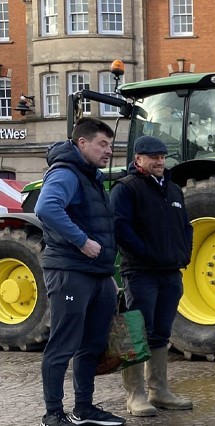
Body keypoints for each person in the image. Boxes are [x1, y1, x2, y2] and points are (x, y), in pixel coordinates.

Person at [34, 117, 126, 426]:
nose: (108, 151)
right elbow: (46, 208)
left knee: (93, 343)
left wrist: (108, 278)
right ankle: (53, 413)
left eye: (110, 145)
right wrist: (81, 241)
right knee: (64, 343)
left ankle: (84, 408)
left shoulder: (91, 176)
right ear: (82, 143)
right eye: (102, 144)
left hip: (96, 274)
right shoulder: (66, 172)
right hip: (71, 270)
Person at [110, 136, 194, 417]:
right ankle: (135, 395)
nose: (159, 161)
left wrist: (185, 254)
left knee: (161, 332)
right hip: (140, 273)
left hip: (170, 273)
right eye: (152, 157)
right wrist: (147, 253)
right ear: (138, 160)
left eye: (162, 156)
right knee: (137, 332)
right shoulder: (126, 189)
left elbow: (186, 227)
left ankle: (159, 391)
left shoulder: (172, 190)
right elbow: (120, 228)